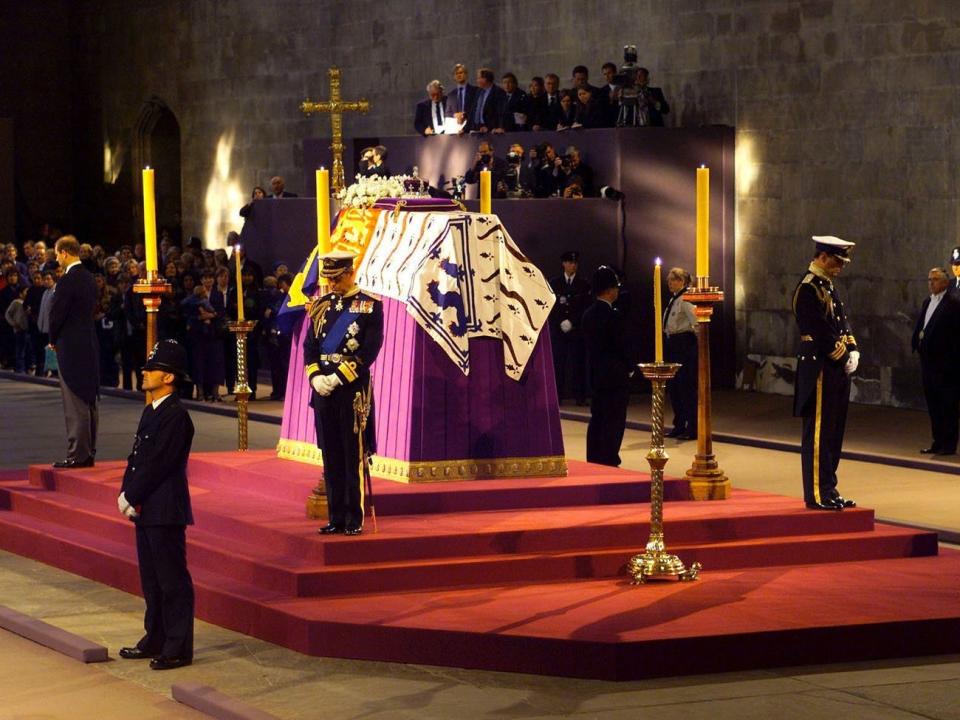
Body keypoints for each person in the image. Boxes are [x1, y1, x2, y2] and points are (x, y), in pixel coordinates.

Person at [117, 339, 196, 671]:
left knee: (171, 579)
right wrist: (127, 492)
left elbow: (159, 464)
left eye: (153, 368)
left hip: (164, 508)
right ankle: (156, 637)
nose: (145, 371)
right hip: (148, 508)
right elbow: (137, 459)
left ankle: (178, 645)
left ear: (169, 378)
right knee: (151, 579)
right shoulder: (152, 411)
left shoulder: (176, 417)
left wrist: (130, 495)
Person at [304, 250, 383, 535]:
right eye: (330, 279)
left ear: (351, 272)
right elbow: (309, 346)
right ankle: (335, 516)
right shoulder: (321, 305)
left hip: (350, 391)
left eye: (338, 278)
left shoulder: (370, 307)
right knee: (331, 454)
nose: (333, 284)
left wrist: (337, 378)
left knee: (351, 454)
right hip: (323, 390)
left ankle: (352, 518)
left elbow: (369, 351)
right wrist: (316, 378)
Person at [792, 235, 859, 511]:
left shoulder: (827, 285)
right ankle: (818, 493)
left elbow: (841, 323)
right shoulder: (808, 288)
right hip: (820, 367)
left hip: (834, 367)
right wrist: (842, 355)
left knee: (833, 430)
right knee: (819, 432)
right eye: (836, 261)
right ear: (821, 257)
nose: (840, 266)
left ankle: (829, 488)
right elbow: (818, 329)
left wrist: (853, 349)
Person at [48, 236, 99, 469]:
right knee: (88, 397)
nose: (57, 258)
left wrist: (52, 339)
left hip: (70, 344)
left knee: (74, 398)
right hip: (88, 342)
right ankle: (88, 451)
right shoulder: (89, 278)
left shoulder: (68, 280)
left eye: (57, 254)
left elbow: (57, 312)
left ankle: (77, 453)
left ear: (65, 252)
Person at [582, 265, 635, 466]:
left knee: (598, 417)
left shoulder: (588, 314)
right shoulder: (613, 316)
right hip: (615, 374)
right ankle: (609, 455)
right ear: (610, 290)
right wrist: (630, 367)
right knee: (614, 418)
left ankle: (594, 456)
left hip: (596, 373)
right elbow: (622, 345)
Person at [911, 267, 960, 455]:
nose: (931, 283)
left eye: (935, 279)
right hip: (928, 364)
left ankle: (948, 444)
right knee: (933, 404)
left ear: (945, 282)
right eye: (929, 279)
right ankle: (937, 441)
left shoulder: (954, 304)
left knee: (947, 405)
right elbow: (922, 326)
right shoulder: (927, 302)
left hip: (946, 365)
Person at [549, 252, 591, 406]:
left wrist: (572, 321)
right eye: (569, 262)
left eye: (575, 263)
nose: (572, 265)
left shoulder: (583, 284)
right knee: (558, 364)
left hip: (576, 330)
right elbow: (551, 306)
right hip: (559, 331)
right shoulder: (554, 283)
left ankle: (580, 396)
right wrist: (560, 321)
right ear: (563, 264)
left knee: (578, 363)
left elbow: (586, 306)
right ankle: (557, 396)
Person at [663, 267, 698, 439]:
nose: (670, 283)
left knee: (686, 388)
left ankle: (692, 427)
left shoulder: (686, 300)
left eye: (673, 280)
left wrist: (695, 347)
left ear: (682, 282)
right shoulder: (673, 299)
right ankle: (679, 424)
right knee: (675, 388)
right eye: (669, 280)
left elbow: (697, 323)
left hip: (684, 344)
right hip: (673, 344)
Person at [471, 67, 506, 134]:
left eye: (479, 78)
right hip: (477, 128)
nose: (477, 80)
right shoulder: (478, 92)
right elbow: (473, 111)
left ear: (485, 79)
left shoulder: (498, 92)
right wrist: (465, 129)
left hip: (492, 130)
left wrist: (492, 127)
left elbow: (501, 113)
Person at [445, 63, 478, 130]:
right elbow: (447, 113)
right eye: (456, 74)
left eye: (461, 73)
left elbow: (477, 109)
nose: (458, 75)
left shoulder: (475, 91)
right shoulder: (451, 95)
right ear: (454, 77)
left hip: (472, 127)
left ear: (466, 75)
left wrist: (463, 116)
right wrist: (455, 115)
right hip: (456, 128)